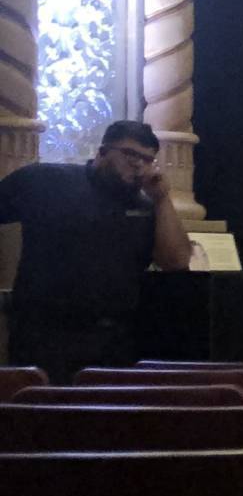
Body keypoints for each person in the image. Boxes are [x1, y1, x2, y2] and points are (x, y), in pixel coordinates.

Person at [0, 120, 191, 381]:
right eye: (130, 154)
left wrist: (161, 198)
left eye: (148, 159)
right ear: (102, 151)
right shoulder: (46, 181)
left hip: (114, 340)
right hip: (43, 335)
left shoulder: (145, 206)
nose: (139, 165)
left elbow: (176, 262)